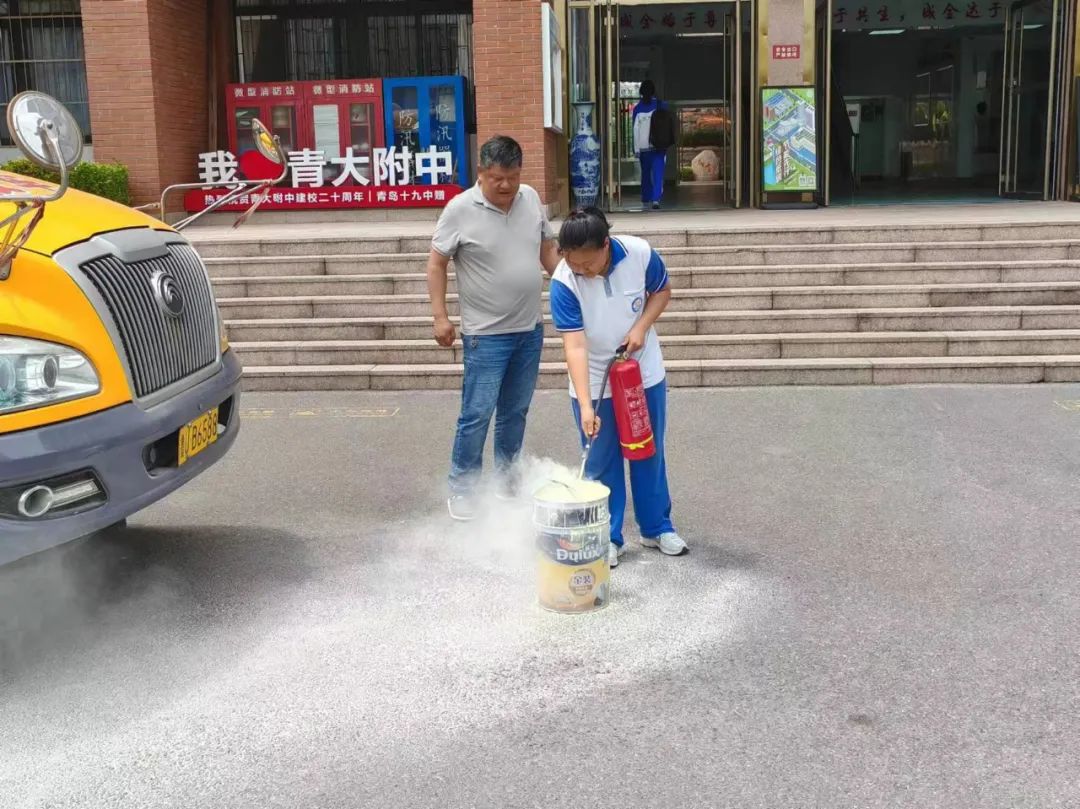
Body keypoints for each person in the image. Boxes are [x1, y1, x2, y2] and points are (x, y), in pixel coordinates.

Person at [427, 135, 561, 521]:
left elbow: (546, 250)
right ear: (481, 173)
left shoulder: (531, 199)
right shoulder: (459, 209)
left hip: (528, 329)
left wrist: (570, 285)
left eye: (513, 177)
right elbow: (436, 263)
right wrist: (440, 315)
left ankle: (507, 481)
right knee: (477, 413)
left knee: (514, 412)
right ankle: (463, 488)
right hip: (485, 336)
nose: (506, 186)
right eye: (498, 178)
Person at [549, 207, 688, 568]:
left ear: (606, 245)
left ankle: (656, 527)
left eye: (588, 264)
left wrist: (641, 326)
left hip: (642, 374)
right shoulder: (565, 281)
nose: (582, 271)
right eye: (573, 263)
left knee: (647, 450)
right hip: (594, 379)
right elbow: (575, 346)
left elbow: (662, 291)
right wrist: (585, 405)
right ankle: (607, 536)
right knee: (601, 461)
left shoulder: (640, 254)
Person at [632, 80, 672, 210]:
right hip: (659, 146)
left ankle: (646, 198)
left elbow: (635, 130)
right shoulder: (661, 105)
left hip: (643, 148)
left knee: (645, 174)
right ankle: (656, 199)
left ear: (641, 92)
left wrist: (636, 148)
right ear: (654, 91)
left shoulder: (637, 109)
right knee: (658, 174)